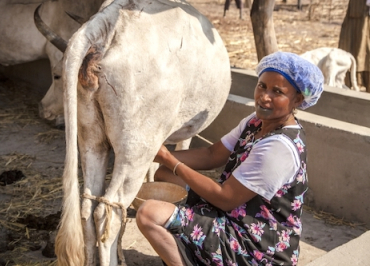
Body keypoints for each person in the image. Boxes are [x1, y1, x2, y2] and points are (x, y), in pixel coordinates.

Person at [136, 51, 324, 266]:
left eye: (277, 91)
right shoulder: (255, 122)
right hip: (236, 216)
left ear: (298, 99)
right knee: (164, 175)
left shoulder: (279, 146)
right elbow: (212, 155)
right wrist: (154, 156)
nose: (264, 97)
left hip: (257, 246)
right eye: (262, 86)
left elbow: (226, 198)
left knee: (149, 213)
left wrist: (169, 159)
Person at [338, 0, 370, 92]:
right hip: (357, 10)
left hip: (364, 14)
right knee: (353, 42)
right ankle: (349, 79)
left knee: (364, 45)